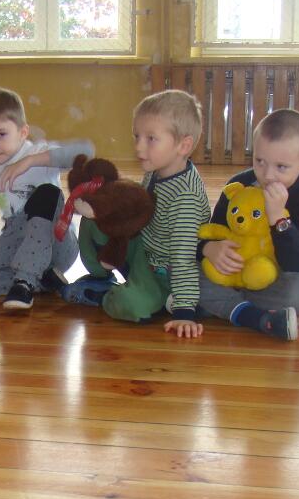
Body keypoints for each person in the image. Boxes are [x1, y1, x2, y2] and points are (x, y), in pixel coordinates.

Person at [0, 87, 94, 310]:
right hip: (19, 239)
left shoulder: (36, 152)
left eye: (1, 134)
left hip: (57, 244)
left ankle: (25, 281)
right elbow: (8, 215)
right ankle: (43, 281)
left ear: (23, 132)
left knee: (47, 192)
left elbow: (86, 151)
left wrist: (31, 161)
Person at [85, 90, 210, 339]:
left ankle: (105, 293)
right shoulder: (157, 170)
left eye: (151, 138)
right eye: (137, 136)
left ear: (183, 145)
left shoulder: (186, 198)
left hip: (163, 273)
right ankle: (100, 275)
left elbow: (183, 257)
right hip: (145, 248)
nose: (139, 146)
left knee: (132, 306)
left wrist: (184, 311)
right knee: (93, 220)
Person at [198, 108, 299, 341]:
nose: (267, 175)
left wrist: (278, 219)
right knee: (184, 267)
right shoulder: (239, 185)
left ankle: (221, 306)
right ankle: (251, 314)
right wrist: (209, 248)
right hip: (231, 274)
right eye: (259, 161)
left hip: (273, 279)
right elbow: (213, 231)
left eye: (281, 167)